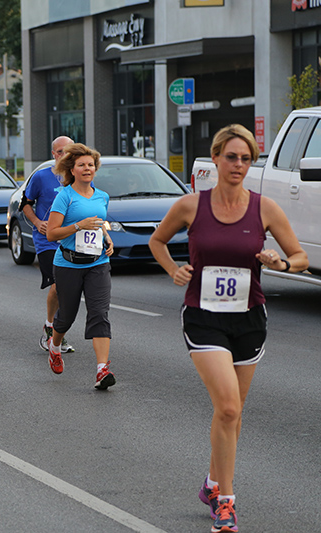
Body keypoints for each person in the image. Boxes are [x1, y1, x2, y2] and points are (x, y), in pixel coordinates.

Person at [149, 124, 308, 533]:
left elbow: (301, 257)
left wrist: (281, 263)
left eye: (246, 158)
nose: (238, 165)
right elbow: (158, 241)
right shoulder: (190, 206)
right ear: (216, 158)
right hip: (203, 317)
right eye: (232, 156)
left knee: (231, 416)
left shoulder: (265, 208)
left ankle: (211, 482)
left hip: (249, 318)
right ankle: (226, 502)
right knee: (229, 407)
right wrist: (173, 269)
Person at [45, 143, 115, 389]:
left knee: (99, 314)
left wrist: (107, 239)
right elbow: (52, 234)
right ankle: (55, 347)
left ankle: (101, 370)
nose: (87, 168)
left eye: (91, 165)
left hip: (98, 263)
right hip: (68, 264)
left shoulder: (102, 196)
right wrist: (78, 226)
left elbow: (100, 223)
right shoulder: (64, 196)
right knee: (67, 316)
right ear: (72, 170)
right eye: (82, 165)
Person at [21, 136, 75, 354]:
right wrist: (37, 222)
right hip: (47, 241)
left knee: (66, 289)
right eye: (61, 151)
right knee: (58, 285)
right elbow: (25, 203)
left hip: (71, 239)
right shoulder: (42, 176)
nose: (65, 155)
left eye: (69, 151)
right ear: (54, 154)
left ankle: (54, 329)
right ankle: (52, 330)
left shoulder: (78, 176)